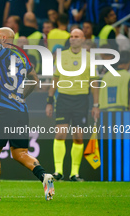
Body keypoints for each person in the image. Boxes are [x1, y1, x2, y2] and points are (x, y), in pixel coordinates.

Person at [0, 0, 55, 202]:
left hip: (3, 110)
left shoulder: (3, 50)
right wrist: (20, 97)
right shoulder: (23, 55)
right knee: (20, 153)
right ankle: (44, 175)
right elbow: (35, 81)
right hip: (20, 110)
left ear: (3, 38)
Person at [45, 28, 100, 182]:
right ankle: (58, 172)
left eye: (77, 36)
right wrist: (50, 100)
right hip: (63, 98)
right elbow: (55, 79)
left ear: (83, 39)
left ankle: (74, 173)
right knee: (60, 133)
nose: (73, 39)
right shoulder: (61, 56)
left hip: (81, 99)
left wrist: (96, 105)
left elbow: (94, 83)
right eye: (72, 36)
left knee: (78, 136)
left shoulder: (90, 58)